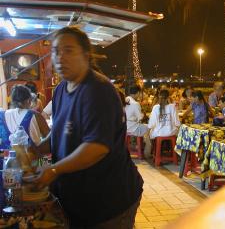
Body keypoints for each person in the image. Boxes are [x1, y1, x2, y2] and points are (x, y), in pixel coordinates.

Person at [34, 26, 143, 228]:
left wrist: (54, 169)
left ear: (85, 55)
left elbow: (96, 148)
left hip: (109, 202)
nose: (60, 57)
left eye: (68, 50)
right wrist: (37, 148)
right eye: (56, 51)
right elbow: (58, 134)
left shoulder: (98, 90)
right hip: (78, 201)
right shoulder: (60, 91)